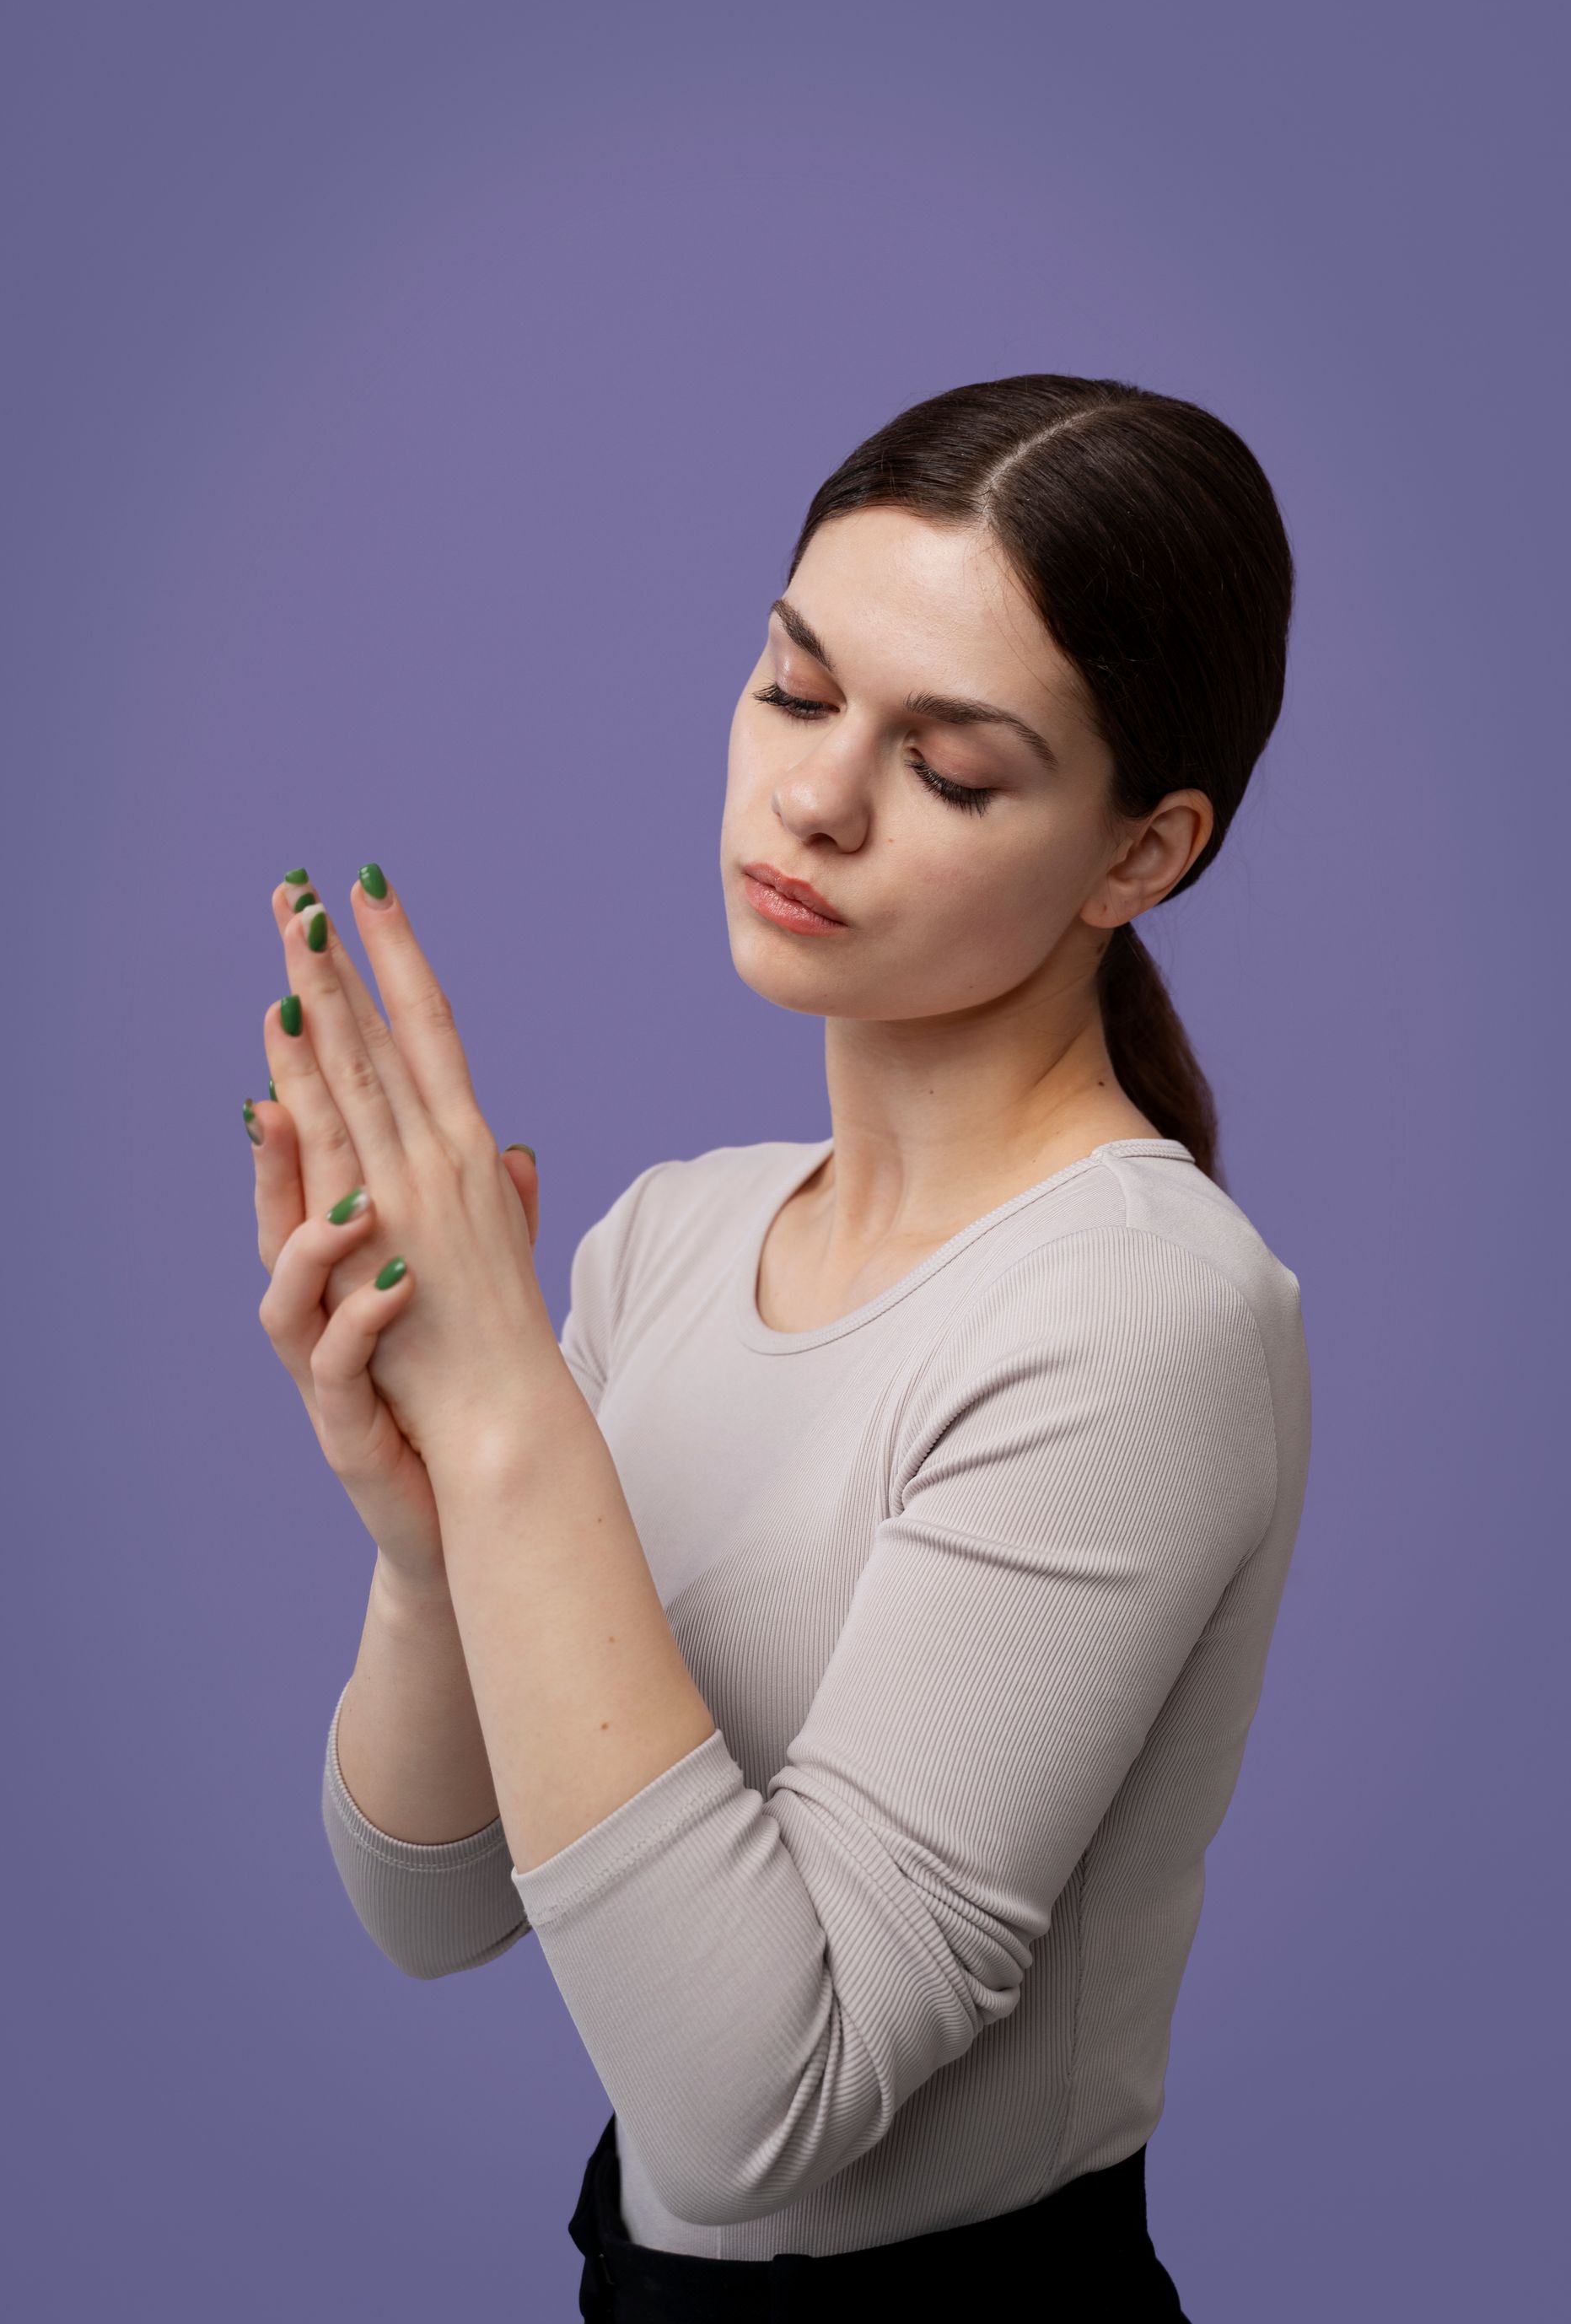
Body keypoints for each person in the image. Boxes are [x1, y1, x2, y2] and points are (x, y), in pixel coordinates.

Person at [246, 374, 1310, 2319]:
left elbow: (753, 2108)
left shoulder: (1146, 1313)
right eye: (796, 689)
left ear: (1140, 856)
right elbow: (436, 1909)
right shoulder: (674, 1237)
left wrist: (512, 1436)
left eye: (955, 768)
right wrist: (426, 1542)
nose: (813, 799)